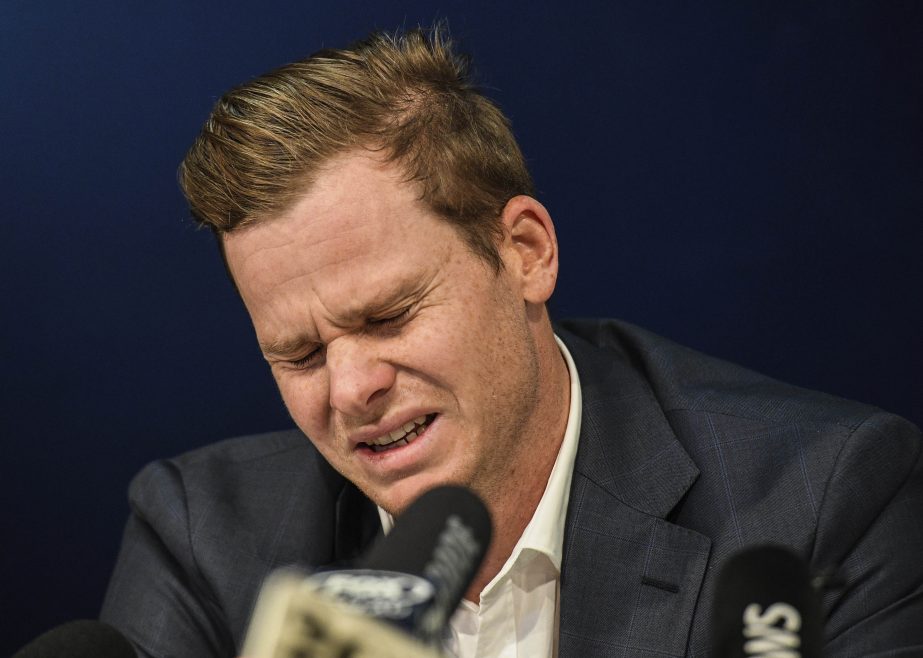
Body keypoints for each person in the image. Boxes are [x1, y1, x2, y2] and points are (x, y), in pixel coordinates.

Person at [100, 27, 923, 657]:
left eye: (387, 316)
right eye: (300, 355)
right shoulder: (202, 536)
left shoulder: (821, 499)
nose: (349, 390)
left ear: (524, 253)